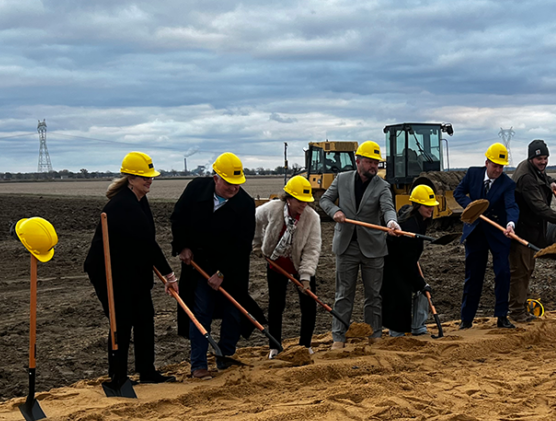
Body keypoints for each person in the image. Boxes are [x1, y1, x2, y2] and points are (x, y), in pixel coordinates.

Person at [84, 151, 178, 386]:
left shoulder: (139, 199)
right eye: (143, 177)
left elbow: (146, 243)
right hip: (109, 272)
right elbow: (149, 244)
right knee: (121, 322)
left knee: (145, 318)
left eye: (150, 177)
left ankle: (147, 371)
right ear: (130, 178)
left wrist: (165, 274)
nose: (149, 181)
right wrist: (170, 274)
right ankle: (117, 377)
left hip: (132, 269)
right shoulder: (122, 205)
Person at [170, 152, 261, 379]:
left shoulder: (245, 204)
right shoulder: (195, 189)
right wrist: (183, 246)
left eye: (238, 184)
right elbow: (178, 218)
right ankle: (198, 365)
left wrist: (222, 273)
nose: (234, 188)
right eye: (229, 183)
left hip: (231, 265)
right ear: (216, 178)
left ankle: (225, 354)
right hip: (198, 263)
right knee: (201, 311)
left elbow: (242, 245)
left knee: (233, 311)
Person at [319, 140, 401, 349]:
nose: (374, 166)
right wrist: (334, 212)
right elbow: (325, 200)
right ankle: (338, 337)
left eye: (377, 163)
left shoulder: (383, 186)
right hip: (346, 246)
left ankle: (374, 335)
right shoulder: (342, 179)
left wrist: (392, 222)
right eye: (370, 162)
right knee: (343, 294)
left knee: (373, 294)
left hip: (373, 248)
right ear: (358, 161)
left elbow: (387, 208)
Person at [253, 175, 322, 358]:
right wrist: (256, 244)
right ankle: (274, 347)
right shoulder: (273, 208)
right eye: (300, 201)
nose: (304, 205)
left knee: (308, 304)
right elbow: (255, 220)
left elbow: (312, 249)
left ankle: (305, 345)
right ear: (289, 198)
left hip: (300, 265)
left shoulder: (312, 218)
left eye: (307, 201)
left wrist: (306, 277)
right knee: (277, 304)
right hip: (276, 263)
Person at [453, 143, 519, 329]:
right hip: (475, 233)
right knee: (473, 276)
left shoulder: (507, 184)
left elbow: (511, 206)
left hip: (498, 232)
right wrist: (472, 206)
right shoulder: (473, 173)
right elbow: (459, 192)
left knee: (503, 273)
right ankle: (466, 319)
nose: (498, 170)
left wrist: (510, 224)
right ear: (487, 162)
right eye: (495, 165)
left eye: (501, 166)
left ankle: (501, 317)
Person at [509, 139, 556, 322]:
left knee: (527, 269)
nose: (543, 162)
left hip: (531, 230)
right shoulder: (526, 178)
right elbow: (540, 208)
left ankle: (520, 306)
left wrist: (551, 182)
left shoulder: (532, 169)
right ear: (531, 158)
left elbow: (543, 176)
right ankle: (517, 311)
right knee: (521, 271)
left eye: (545, 158)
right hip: (522, 231)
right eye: (539, 159)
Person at [381, 185, 436, 336]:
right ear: (418, 205)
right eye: (427, 206)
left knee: (422, 290)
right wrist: (420, 283)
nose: (430, 209)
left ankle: (418, 327)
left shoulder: (420, 220)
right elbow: (406, 262)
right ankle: (396, 334)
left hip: (405, 263)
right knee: (403, 295)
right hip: (394, 268)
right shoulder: (410, 225)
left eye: (432, 206)